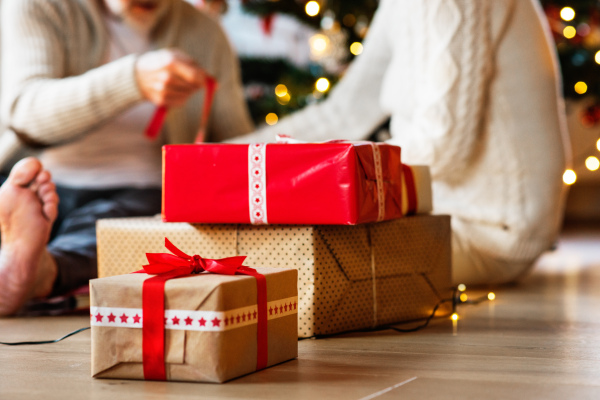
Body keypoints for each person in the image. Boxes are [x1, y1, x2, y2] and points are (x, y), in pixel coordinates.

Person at [229, 0, 571, 285]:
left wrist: (316, 173)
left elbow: (442, 146)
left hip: (493, 231)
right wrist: (223, 158)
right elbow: (344, 112)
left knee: (278, 254)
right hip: (444, 215)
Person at [0, 0, 254, 316]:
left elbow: (235, 143)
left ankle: (41, 271)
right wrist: (131, 80)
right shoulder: (40, 6)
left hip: (140, 190)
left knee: (135, 229)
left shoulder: (204, 33)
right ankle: (30, 264)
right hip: (37, 177)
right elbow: (24, 114)